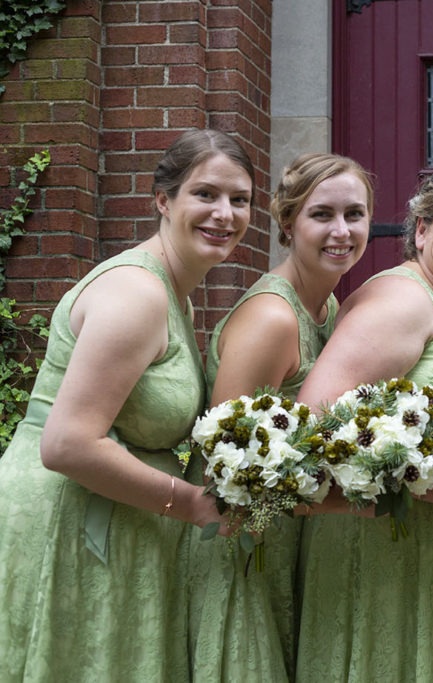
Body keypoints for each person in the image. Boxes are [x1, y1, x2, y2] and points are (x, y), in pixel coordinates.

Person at [0, 129, 252, 681]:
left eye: (240, 199)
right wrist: (193, 504)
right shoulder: (137, 292)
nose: (225, 214)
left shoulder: (174, 290)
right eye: (205, 194)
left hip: (119, 521)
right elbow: (67, 443)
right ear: (164, 200)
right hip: (66, 523)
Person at [294, 165, 433, 682]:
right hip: (387, 560)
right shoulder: (402, 301)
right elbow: (310, 431)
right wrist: (416, 486)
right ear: (421, 230)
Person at [187, 153, 374, 681]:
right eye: (322, 215)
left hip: (289, 543)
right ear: (288, 224)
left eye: (355, 214)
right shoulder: (272, 317)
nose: (342, 231)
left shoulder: (332, 311)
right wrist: (353, 505)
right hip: (242, 553)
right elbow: (223, 473)